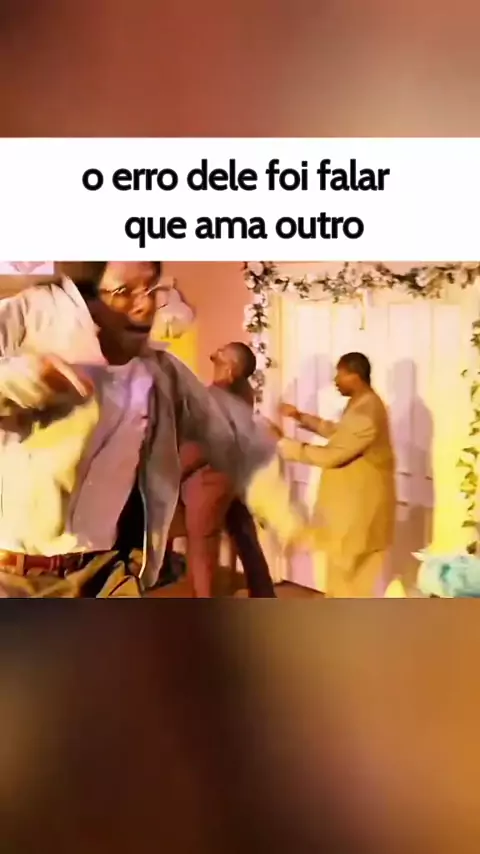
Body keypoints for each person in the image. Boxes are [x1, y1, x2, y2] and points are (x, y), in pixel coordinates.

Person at [0, 261, 309, 597]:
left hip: (106, 570)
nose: (145, 304)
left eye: (151, 289)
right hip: (16, 575)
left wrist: (288, 515)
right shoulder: (30, 319)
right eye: (124, 291)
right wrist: (23, 381)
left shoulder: (158, 372)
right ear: (85, 296)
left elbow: (231, 431)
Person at [277, 352, 396, 598]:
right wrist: (300, 417)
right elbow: (341, 433)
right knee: (346, 580)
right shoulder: (362, 403)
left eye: (340, 374)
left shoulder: (366, 412)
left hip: (358, 511)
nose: (335, 380)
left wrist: (283, 444)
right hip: (354, 510)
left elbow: (332, 455)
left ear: (355, 376)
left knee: (347, 582)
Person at [177, 341, 276, 597]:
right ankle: (264, 594)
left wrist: (174, 473)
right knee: (245, 536)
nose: (217, 351)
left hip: (208, 483)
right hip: (235, 479)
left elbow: (200, 447)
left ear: (231, 369)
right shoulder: (244, 394)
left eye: (223, 352)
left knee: (202, 550)